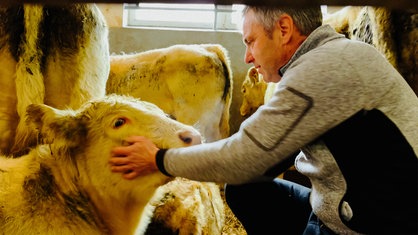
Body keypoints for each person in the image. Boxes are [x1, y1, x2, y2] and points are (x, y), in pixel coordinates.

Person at [109, 5, 418, 235]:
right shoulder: (337, 55)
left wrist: (158, 159)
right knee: (245, 189)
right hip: (341, 204)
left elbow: (244, 157)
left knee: (241, 175)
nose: (247, 57)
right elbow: (261, 160)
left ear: (283, 29)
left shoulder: (322, 68)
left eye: (251, 41)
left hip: (372, 224)